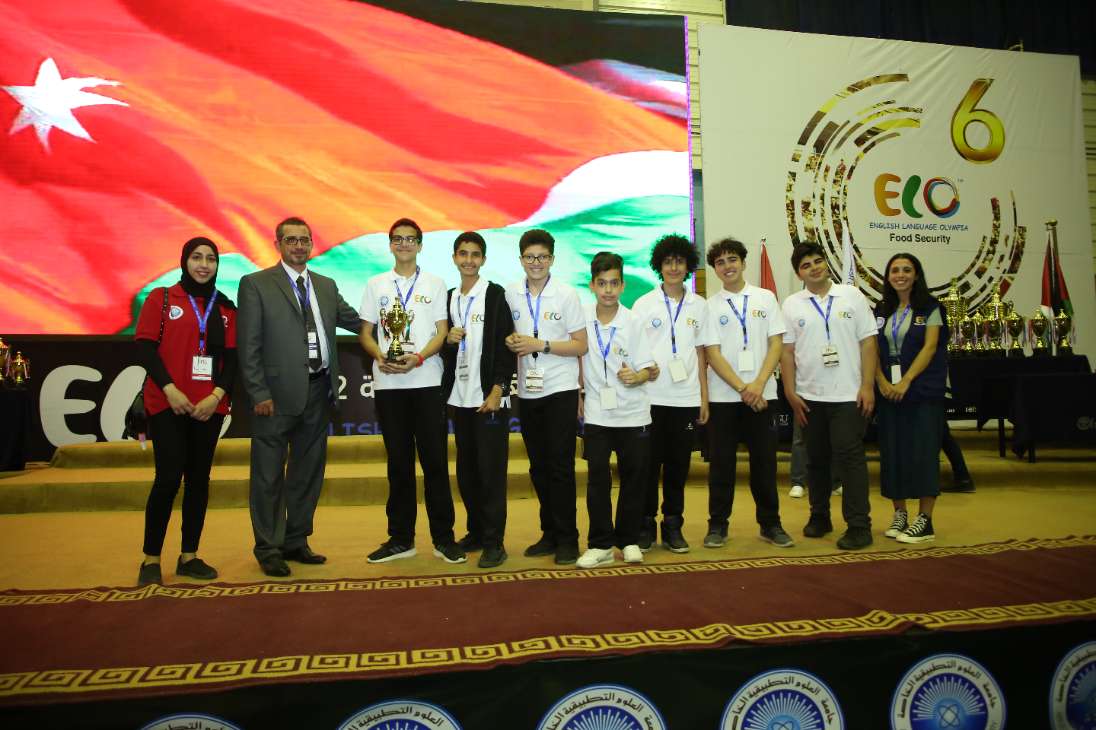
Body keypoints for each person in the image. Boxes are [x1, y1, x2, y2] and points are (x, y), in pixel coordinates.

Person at [238, 217, 362, 577]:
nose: (298, 246)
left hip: (318, 392)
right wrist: (258, 392)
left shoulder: (325, 285)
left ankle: (296, 540)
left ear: (311, 244)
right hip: (274, 397)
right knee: (268, 476)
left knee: (307, 473)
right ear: (277, 244)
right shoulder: (256, 284)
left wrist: (405, 322)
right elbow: (248, 346)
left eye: (304, 240)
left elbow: (358, 322)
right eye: (291, 240)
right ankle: (268, 547)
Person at [360, 218, 463, 564]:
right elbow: (366, 333)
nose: (404, 244)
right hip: (389, 383)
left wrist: (417, 358)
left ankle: (444, 538)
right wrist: (380, 357)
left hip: (427, 382)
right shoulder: (375, 284)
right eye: (398, 239)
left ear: (420, 245)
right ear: (390, 244)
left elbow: (441, 331)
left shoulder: (435, 283)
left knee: (435, 463)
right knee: (398, 464)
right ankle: (400, 539)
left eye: (410, 239)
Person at [135, 237, 237, 586]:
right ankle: (151, 559)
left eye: (211, 259)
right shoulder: (162, 298)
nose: (204, 265)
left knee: (198, 481)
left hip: (209, 407)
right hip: (168, 403)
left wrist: (217, 396)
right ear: (184, 261)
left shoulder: (225, 308)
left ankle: (189, 556)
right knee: (167, 479)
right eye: (197, 257)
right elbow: (146, 349)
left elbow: (232, 361)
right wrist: (170, 389)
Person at [780, 242, 878, 550]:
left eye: (817, 261)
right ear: (799, 273)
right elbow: (787, 352)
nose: (814, 268)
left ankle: (859, 526)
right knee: (816, 460)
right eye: (806, 265)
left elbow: (868, 343)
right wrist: (790, 391)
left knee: (850, 459)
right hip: (810, 396)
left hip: (849, 394)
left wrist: (867, 386)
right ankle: (819, 516)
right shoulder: (791, 305)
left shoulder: (852, 296)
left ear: (826, 263)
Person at [704, 238, 794, 549]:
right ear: (715, 269)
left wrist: (757, 384)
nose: (727, 266)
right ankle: (717, 526)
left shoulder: (765, 298)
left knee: (765, 464)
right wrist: (743, 388)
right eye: (720, 262)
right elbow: (712, 353)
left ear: (743, 263)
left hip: (763, 395)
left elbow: (776, 344)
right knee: (721, 465)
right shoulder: (709, 306)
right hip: (724, 398)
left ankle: (771, 524)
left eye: (732, 259)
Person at [505, 229, 588, 565]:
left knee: (560, 467)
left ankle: (568, 539)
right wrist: (511, 341)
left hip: (561, 389)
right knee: (538, 467)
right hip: (529, 390)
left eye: (542, 257)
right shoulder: (510, 293)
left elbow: (581, 345)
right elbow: (507, 336)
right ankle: (549, 533)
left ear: (552, 259)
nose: (536, 263)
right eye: (529, 257)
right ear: (520, 259)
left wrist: (542, 344)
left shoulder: (567, 294)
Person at [440, 231, 516, 569]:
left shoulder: (495, 295)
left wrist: (498, 389)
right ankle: (476, 531)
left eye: (475, 254)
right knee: (467, 472)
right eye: (463, 254)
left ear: (483, 259)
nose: (468, 260)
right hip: (460, 398)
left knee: (491, 473)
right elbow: (442, 350)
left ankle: (494, 542)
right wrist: (448, 340)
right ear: (455, 258)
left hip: (488, 399)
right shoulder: (448, 297)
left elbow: (506, 345)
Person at [576, 252, 656, 568]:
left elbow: (649, 367)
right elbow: (575, 357)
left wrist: (637, 376)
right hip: (597, 413)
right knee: (597, 478)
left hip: (633, 413)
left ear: (622, 286)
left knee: (634, 477)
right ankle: (600, 544)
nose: (608, 290)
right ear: (592, 285)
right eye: (602, 283)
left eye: (614, 283)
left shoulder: (633, 321)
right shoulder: (581, 318)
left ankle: (629, 540)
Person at [632, 234, 709, 553]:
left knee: (678, 467)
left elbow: (702, 354)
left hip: (685, 400)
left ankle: (673, 524)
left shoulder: (700, 305)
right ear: (659, 266)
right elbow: (634, 351)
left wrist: (704, 397)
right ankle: (645, 523)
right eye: (668, 262)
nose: (674, 267)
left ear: (688, 265)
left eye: (679, 261)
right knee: (648, 466)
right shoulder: (643, 304)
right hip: (650, 399)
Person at [874, 253, 948, 543]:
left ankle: (925, 520)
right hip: (888, 393)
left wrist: (905, 381)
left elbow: (930, 347)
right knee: (893, 453)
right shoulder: (882, 308)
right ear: (888, 276)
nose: (900, 275)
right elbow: (871, 347)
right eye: (894, 270)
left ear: (916, 275)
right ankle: (900, 514)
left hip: (922, 392)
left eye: (906, 269)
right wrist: (881, 381)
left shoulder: (931, 307)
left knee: (924, 453)